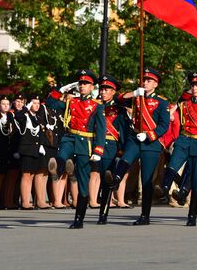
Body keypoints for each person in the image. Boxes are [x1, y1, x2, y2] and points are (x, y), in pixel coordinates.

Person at [154, 71, 197, 227]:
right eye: (193, 85)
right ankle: (164, 188)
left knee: (196, 181)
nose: (195, 88)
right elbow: (172, 117)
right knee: (172, 165)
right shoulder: (184, 104)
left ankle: (192, 215)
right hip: (183, 141)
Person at [107, 66, 170, 226]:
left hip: (150, 143)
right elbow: (118, 99)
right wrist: (135, 93)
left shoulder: (162, 102)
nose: (145, 82)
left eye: (149, 80)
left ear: (156, 84)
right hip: (135, 137)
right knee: (125, 158)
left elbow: (164, 126)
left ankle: (145, 215)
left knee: (147, 179)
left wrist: (149, 135)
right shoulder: (136, 97)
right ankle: (116, 179)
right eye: (144, 80)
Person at [45, 69, 106, 229]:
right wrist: (61, 90)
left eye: (85, 83)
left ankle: (79, 219)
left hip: (85, 141)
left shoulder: (97, 106)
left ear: (92, 87)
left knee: (83, 181)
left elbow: (100, 129)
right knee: (62, 155)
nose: (82, 86)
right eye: (80, 83)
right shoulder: (71, 101)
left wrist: (98, 150)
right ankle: (57, 169)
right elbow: (50, 103)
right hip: (70, 137)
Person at [93, 75, 127, 224]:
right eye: (102, 88)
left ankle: (103, 214)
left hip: (110, 146)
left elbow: (123, 131)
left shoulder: (119, 110)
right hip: (92, 143)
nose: (103, 91)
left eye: (107, 89)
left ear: (113, 91)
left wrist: (123, 149)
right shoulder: (93, 105)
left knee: (106, 178)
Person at [14, 95, 45, 210]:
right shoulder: (25, 115)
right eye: (34, 103)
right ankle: (25, 202)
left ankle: (27, 200)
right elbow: (17, 116)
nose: (36, 105)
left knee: (31, 175)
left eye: (38, 103)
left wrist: (41, 145)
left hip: (35, 149)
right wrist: (26, 108)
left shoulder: (37, 117)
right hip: (26, 150)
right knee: (26, 175)